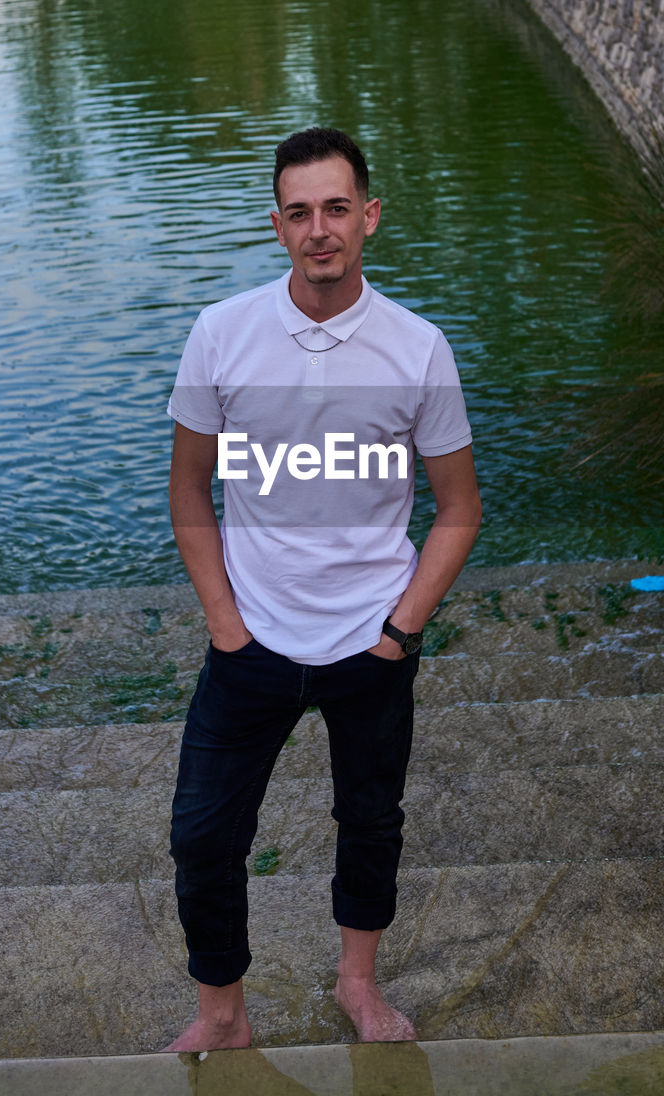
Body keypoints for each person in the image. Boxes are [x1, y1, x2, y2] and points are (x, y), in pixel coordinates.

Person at [164, 127, 481, 1052]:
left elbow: (457, 509)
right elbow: (188, 488)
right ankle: (222, 1017)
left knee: (371, 823)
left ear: (369, 218)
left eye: (336, 208)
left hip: (369, 643)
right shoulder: (221, 334)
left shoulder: (418, 349)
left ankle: (357, 983)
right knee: (202, 837)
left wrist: (401, 627)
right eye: (299, 212)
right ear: (277, 226)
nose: (319, 230)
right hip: (251, 640)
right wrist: (224, 621)